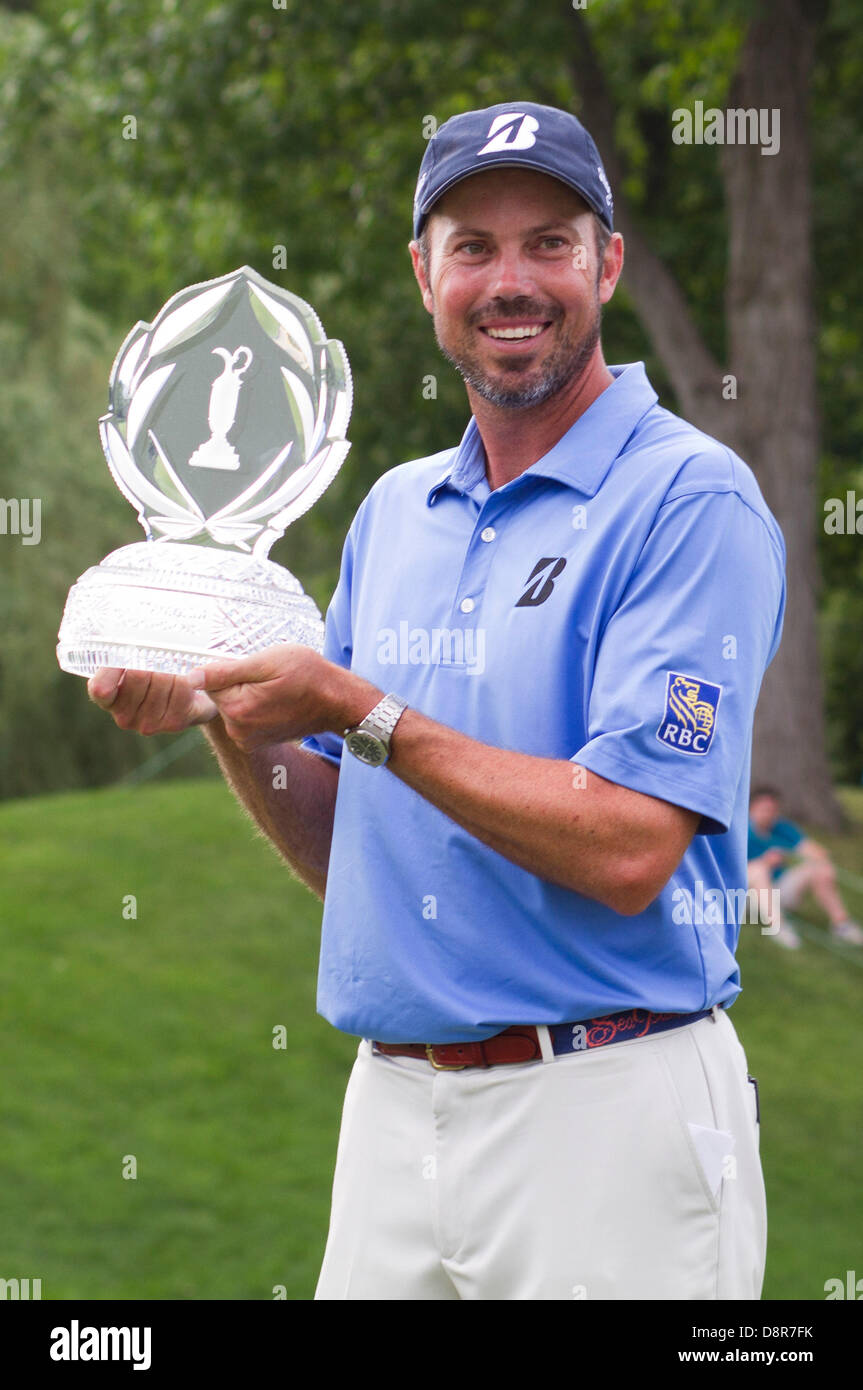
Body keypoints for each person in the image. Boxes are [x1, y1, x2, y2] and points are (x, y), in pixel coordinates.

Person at [88, 101, 787, 1300]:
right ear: (424, 276)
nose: (510, 281)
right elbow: (355, 849)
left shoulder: (688, 500)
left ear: (605, 262)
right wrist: (229, 721)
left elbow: (627, 845)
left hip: (607, 1110)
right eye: (472, 246)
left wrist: (360, 710)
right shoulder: (391, 512)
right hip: (390, 1115)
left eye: (547, 243)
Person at [747, 785, 863, 950]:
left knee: (821, 868)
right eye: (764, 809)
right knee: (758, 870)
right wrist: (765, 861)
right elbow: (729, 869)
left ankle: (842, 925)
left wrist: (792, 854)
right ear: (751, 808)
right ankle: (777, 926)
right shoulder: (740, 830)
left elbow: (818, 852)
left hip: (780, 889)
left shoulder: (782, 828)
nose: (769, 814)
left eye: (773, 809)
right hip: (744, 896)